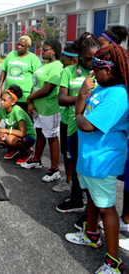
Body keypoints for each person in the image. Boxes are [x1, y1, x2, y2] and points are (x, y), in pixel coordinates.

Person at [65, 44, 129, 274]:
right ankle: (91, 234)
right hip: (90, 157)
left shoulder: (118, 95)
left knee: (107, 208)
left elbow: (87, 124)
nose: (91, 73)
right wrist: (82, 93)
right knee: (93, 198)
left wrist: (81, 114)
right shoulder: (101, 88)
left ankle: (114, 263)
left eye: (95, 69)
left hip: (102, 160)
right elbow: (79, 112)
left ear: (109, 70)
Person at [55, 33, 101, 213]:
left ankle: (93, 206)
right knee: (75, 163)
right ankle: (76, 197)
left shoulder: (101, 72)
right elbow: (61, 99)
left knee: (91, 166)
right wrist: (82, 95)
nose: (92, 62)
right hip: (72, 123)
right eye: (89, 58)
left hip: (95, 127)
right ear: (80, 55)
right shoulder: (68, 72)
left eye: (96, 58)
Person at [21, 39, 63, 183]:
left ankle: (54, 169)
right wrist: (31, 101)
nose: (41, 52)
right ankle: (37, 160)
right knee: (40, 133)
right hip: (38, 107)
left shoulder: (57, 66)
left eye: (45, 50)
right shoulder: (45, 65)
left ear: (53, 51)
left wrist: (28, 98)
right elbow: (35, 85)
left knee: (51, 137)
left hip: (49, 108)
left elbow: (46, 89)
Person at [52, 44, 79, 192]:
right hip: (65, 119)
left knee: (74, 155)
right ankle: (68, 180)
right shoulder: (65, 72)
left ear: (74, 59)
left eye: (64, 56)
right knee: (67, 153)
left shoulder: (85, 74)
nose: (61, 58)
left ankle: (76, 184)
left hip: (78, 121)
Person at [0, 84, 36, 164]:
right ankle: (14, 148)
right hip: (13, 134)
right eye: (1, 99)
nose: (1, 102)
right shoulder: (2, 109)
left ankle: (26, 152)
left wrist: (6, 130)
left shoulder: (17, 111)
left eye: (4, 100)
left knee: (9, 139)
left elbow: (22, 133)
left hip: (28, 136)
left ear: (12, 102)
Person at [0, 35, 41, 114]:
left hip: (24, 97)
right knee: (10, 120)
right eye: (18, 44)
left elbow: (38, 77)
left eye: (22, 45)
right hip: (9, 95)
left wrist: (33, 96)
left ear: (28, 47)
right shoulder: (11, 54)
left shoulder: (33, 58)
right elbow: (4, 71)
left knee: (24, 121)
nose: (19, 47)